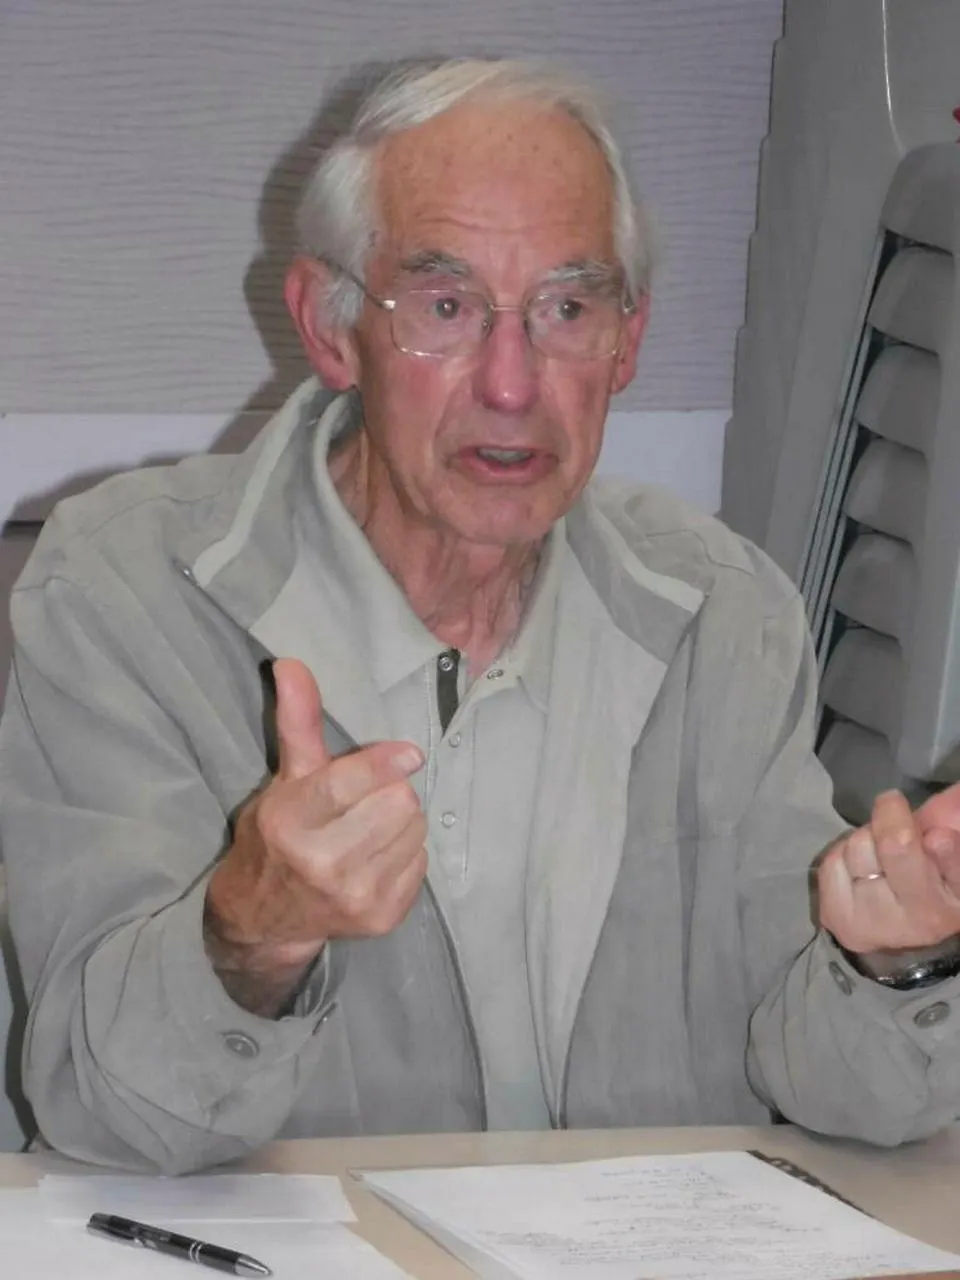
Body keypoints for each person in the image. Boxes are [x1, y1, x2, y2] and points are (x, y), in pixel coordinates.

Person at [3, 57, 960, 1176]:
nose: (511, 383)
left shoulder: (722, 608)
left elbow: (832, 1087)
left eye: (567, 308)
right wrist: (250, 933)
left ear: (627, 341)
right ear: (330, 328)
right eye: (445, 307)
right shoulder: (127, 591)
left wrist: (900, 959)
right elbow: (105, 1112)